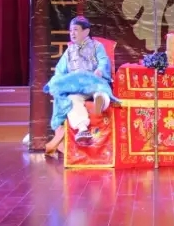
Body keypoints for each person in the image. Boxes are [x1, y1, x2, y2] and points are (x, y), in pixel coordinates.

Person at [43, 16, 119, 148]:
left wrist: (100, 70)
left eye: (75, 30)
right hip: (77, 87)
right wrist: (57, 83)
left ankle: (101, 102)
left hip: (94, 82)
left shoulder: (96, 46)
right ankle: (82, 129)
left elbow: (103, 61)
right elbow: (60, 71)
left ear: (86, 31)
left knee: (100, 91)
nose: (72, 33)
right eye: (70, 30)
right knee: (71, 99)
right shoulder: (69, 51)